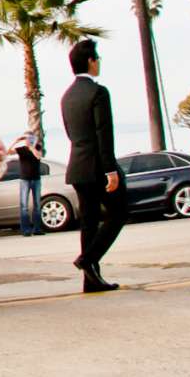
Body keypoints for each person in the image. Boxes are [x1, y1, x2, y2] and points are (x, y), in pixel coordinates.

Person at [61, 38, 123, 293]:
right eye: (97, 58)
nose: (99, 63)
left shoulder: (67, 96)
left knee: (89, 222)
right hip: (98, 166)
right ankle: (88, 259)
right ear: (90, 61)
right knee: (118, 213)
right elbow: (103, 133)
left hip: (76, 167)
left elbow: (70, 133)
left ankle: (91, 280)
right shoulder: (98, 92)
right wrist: (110, 170)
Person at [13, 133, 45, 236]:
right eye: (27, 138)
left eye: (31, 138)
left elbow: (38, 156)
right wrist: (16, 140)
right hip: (25, 180)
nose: (29, 140)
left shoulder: (37, 147)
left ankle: (37, 229)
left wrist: (33, 146)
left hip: (36, 179)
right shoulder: (21, 149)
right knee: (24, 206)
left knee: (37, 205)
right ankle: (26, 230)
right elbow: (7, 152)